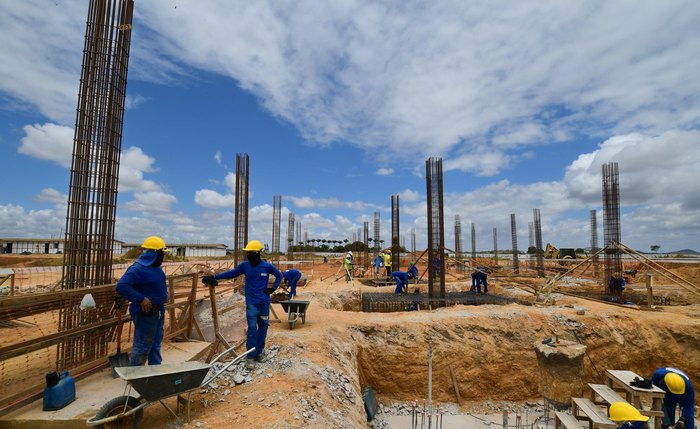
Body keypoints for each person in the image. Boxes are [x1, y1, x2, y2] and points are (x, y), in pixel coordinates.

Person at [202, 240, 282, 369]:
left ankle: (260, 352)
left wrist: (273, 289)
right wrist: (214, 277)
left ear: (257, 253)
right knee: (252, 329)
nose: (248, 255)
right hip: (252, 304)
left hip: (264, 304)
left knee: (263, 327)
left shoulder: (267, 267)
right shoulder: (245, 266)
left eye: (250, 253)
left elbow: (279, 276)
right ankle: (250, 356)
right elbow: (231, 273)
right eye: (247, 253)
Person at [115, 236, 169, 366]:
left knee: (155, 342)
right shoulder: (138, 269)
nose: (163, 256)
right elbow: (121, 286)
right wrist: (141, 298)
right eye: (162, 253)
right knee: (143, 344)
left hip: (158, 310)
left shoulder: (155, 267)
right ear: (154, 253)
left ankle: (155, 371)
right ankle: (136, 374)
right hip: (146, 312)